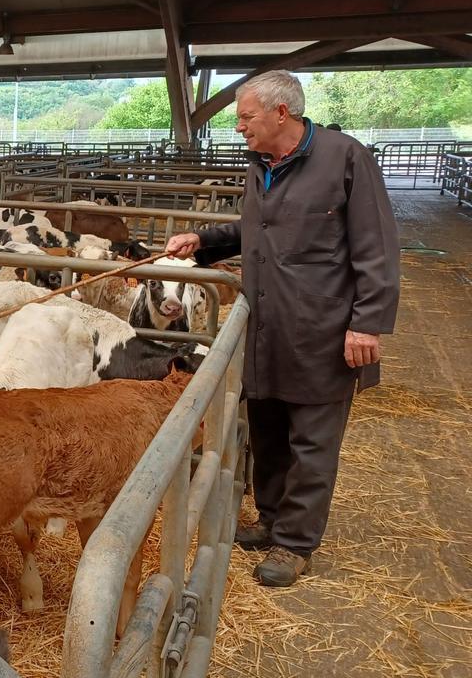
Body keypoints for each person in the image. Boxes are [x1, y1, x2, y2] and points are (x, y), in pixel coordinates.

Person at [166, 70, 400, 587]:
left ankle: (295, 544)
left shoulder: (344, 158)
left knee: (313, 439)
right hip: (267, 322)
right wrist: (203, 240)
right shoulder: (261, 164)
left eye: (245, 117)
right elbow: (257, 230)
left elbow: (376, 245)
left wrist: (368, 323)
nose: (238, 128)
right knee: (268, 427)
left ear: (281, 113)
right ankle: (271, 518)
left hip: (323, 325)